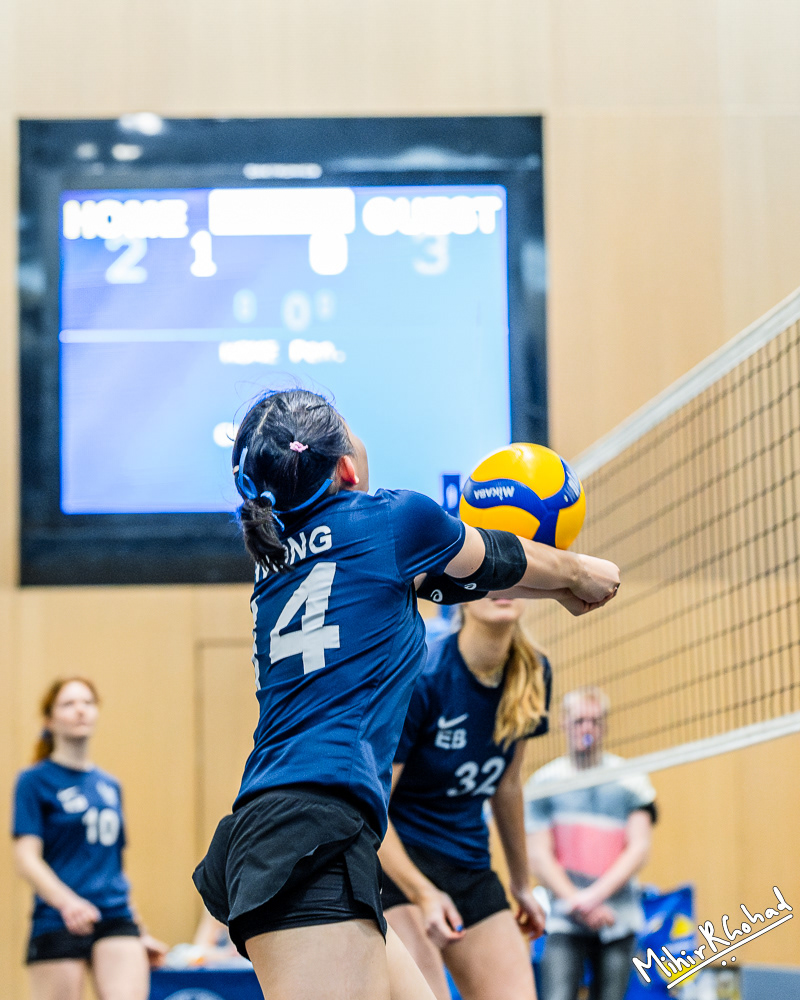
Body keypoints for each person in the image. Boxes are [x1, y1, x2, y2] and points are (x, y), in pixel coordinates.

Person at [191, 388, 620, 1000]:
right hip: (310, 834)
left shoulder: (279, 558)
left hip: (311, 830)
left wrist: (552, 590)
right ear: (346, 467)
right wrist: (578, 572)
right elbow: (493, 555)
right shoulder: (390, 521)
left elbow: (463, 578)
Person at [379, 597, 552, 1000]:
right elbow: (372, 807)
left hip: (466, 860)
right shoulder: (425, 673)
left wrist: (522, 884)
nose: (500, 587)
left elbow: (507, 785)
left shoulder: (533, 671)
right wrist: (423, 892)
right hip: (394, 864)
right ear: (461, 594)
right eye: (488, 576)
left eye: (512, 575)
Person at [12, 677, 167, 1000]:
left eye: (87, 703)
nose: (80, 711)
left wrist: (139, 928)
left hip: (114, 915)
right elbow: (26, 857)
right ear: (50, 720)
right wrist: (68, 903)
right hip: (58, 917)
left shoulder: (110, 785)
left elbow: (114, 866)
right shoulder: (34, 781)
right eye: (69, 704)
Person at [526, 687, 656, 1000]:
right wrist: (576, 901)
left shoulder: (632, 780)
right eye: (580, 720)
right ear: (564, 723)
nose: (588, 728)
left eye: (595, 721)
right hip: (564, 917)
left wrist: (593, 898)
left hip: (618, 918)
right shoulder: (543, 784)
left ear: (605, 725)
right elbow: (539, 855)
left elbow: (638, 848)